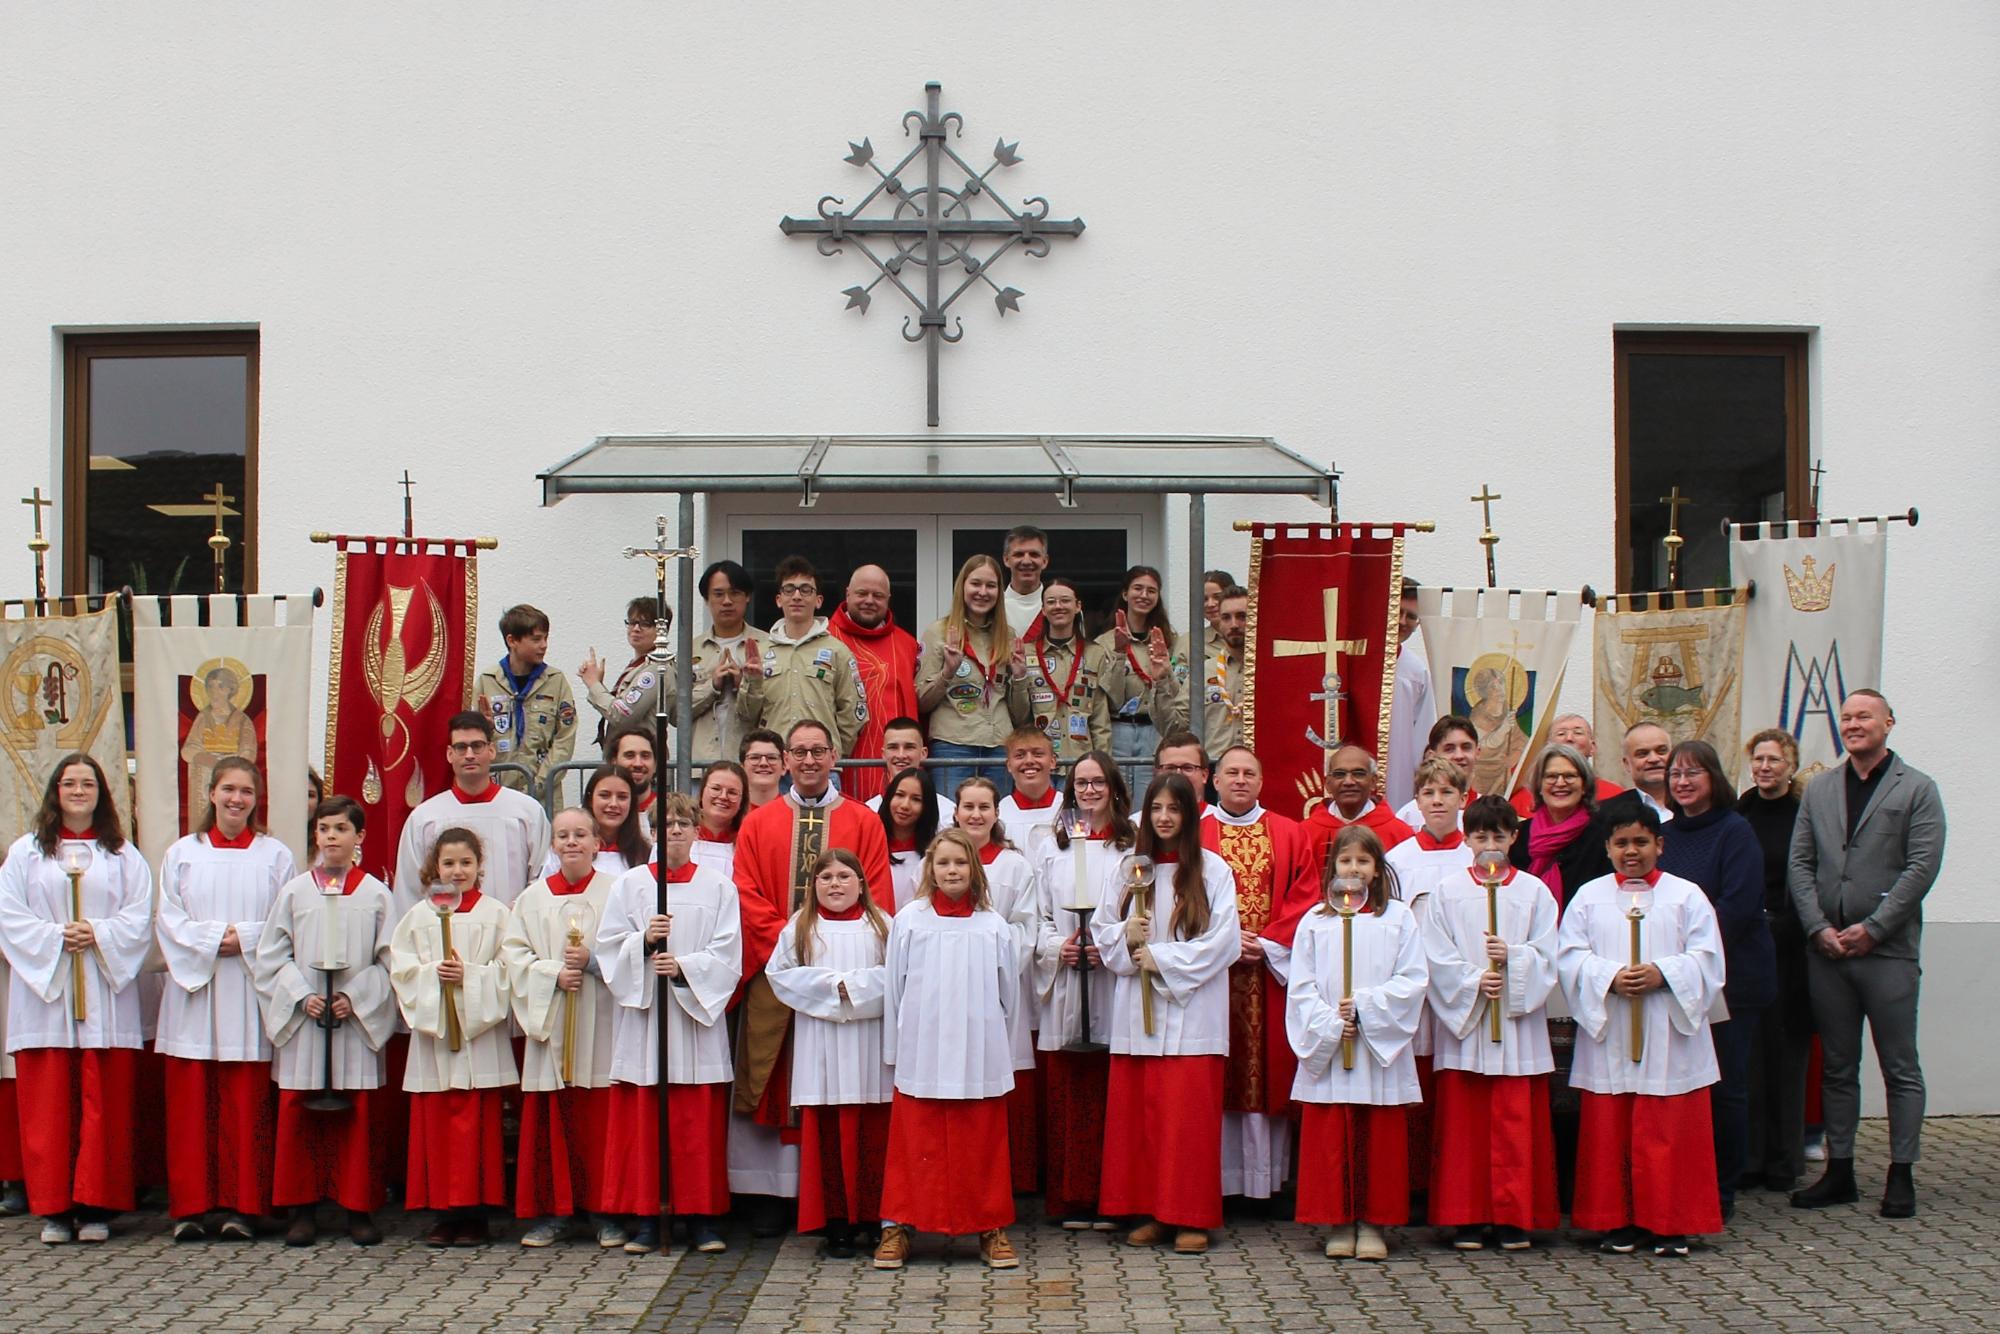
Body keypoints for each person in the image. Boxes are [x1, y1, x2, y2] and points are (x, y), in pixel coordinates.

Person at [1787, 690, 1945, 1220]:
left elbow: (1920, 868)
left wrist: (1874, 929)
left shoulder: (1918, 789)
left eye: (1864, 717)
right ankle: (1841, 1171)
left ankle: (1902, 1174)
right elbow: (1801, 863)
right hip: (1828, 952)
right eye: (1847, 717)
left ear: (1889, 723)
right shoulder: (1820, 789)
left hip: (1887, 952)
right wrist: (1817, 927)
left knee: (1900, 1066)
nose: (1853, 725)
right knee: (1837, 1066)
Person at [730, 721, 893, 1229]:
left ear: (834, 755)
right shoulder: (758, 824)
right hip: (780, 971)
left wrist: (837, 958)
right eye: (797, 752)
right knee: (773, 1076)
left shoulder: (865, 822)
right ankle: (773, 1193)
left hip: (848, 981)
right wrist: (793, 944)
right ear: (785, 761)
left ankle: (845, 1199)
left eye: (817, 751)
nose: (807, 760)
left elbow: (878, 897)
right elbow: (746, 893)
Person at [1559, 800, 1725, 1257]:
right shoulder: (1589, 897)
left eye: (1641, 842)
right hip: (1613, 1029)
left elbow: (1708, 959)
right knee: (1613, 1131)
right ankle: (1617, 1221)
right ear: (1608, 848)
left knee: (1665, 1130)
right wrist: (1608, 976)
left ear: (1660, 845)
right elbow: (1569, 956)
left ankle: (1670, 1223)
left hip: (1668, 1031)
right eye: (1621, 843)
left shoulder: (1687, 895)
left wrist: (1663, 973)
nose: (1631, 852)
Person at [0, 754, 153, 1244]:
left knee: (100, 1100)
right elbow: (9, 914)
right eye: (70, 782)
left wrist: (99, 933)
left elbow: (139, 916)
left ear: (102, 793)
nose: (79, 790)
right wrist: (54, 938)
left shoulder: (123, 855)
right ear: (55, 791)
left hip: (104, 993)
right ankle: (53, 1209)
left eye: (88, 783)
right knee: (50, 1104)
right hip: (47, 992)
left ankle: (95, 1205)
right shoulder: (26, 853)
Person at [1093, 773, 1242, 1256]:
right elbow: (1102, 930)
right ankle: (1153, 1212)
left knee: (1186, 1122)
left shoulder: (1214, 871)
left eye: (1173, 809)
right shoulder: (1129, 870)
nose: (1163, 818)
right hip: (1138, 1018)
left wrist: (1164, 959)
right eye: (1156, 808)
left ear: (1189, 816)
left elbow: (1225, 941)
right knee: (1146, 1118)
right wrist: (1126, 937)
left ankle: (1191, 1216)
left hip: (1193, 1015)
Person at [155, 757, 296, 1241]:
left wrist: (244, 940)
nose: (237, 799)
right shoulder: (182, 853)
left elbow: (284, 921)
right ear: (211, 794)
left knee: (244, 1098)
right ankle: (191, 1207)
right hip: (197, 989)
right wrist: (221, 938)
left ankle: (243, 1205)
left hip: (249, 993)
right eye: (228, 789)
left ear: (257, 800)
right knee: (194, 1099)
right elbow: (169, 921)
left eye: (246, 792)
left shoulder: (274, 855)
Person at [598, 795, 742, 1253]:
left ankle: (702, 1218)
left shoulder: (719, 887)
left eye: (683, 823)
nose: (675, 831)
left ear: (697, 830)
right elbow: (608, 947)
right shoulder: (631, 885)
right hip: (647, 1022)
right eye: (666, 824)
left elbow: (727, 953)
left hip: (692, 1020)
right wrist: (643, 942)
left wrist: (683, 968)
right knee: (648, 1121)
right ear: (653, 831)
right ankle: (646, 1216)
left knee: (694, 1120)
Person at [872, 830, 1022, 1271]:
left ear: (974, 869)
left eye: (960, 863)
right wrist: (896, 1049)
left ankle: (990, 1226)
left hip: (980, 1052)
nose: (952, 871)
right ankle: (898, 1225)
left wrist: (996, 1048)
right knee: (915, 1140)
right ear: (930, 870)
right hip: (923, 1047)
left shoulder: (993, 925)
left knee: (982, 1142)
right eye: (943, 864)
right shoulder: (911, 920)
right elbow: (894, 989)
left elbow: (1008, 996)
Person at [254, 796, 397, 1247]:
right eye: (323, 829)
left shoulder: (375, 894)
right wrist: (302, 997)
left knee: (356, 1114)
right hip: (307, 1021)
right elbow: (272, 955)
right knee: (301, 1112)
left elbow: (390, 959)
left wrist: (354, 998)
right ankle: (302, 1209)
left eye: (341, 828)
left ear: (359, 837)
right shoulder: (295, 892)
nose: (331, 837)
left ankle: (358, 1207)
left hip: (352, 1022)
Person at [1422, 796, 1561, 1251]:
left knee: (1513, 1123)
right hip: (1470, 1024)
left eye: (1499, 835)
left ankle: (1513, 1216)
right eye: (1480, 836)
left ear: (1514, 837)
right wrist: (1474, 980)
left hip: (1517, 1029)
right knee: (1466, 1125)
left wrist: (1515, 964)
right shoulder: (1447, 891)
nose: (1489, 844)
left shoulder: (1534, 892)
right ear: (1466, 838)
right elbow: (1435, 954)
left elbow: (1549, 955)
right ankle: (1465, 1215)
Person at [1285, 825, 1427, 1262]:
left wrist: (1364, 1008)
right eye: (1346, 861)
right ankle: (1338, 1220)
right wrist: (1330, 1024)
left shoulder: (1398, 918)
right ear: (1332, 869)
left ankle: (1373, 1222)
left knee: (1376, 1136)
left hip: (1376, 1047)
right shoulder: (1314, 921)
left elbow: (1412, 979)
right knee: (1333, 1135)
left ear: (1379, 870)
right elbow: (1301, 985)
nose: (1354, 869)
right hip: (1334, 1044)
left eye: (1363, 861)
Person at [1660, 739, 1775, 1220]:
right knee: (1684, 1085)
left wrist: (1691, 959)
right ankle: (1684, 1181)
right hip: (1673, 977)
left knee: (1725, 1085)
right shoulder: (1664, 835)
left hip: (1728, 979)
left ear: (1714, 777)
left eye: (1693, 772)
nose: (1683, 782)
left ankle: (1723, 1189)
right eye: (1676, 774)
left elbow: (1738, 906)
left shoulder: (1736, 832)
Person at [1201, 745, 1319, 1208]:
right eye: (1231, 772)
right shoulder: (1198, 831)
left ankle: (1263, 1182)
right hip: (1214, 973)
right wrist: (1227, 942)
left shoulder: (1289, 832)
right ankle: (1220, 1178)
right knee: (1219, 1069)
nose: (1240, 780)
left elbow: (1306, 893)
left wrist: (1267, 943)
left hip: (1269, 972)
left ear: (1261, 781)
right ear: (1215, 780)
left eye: (1249, 773)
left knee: (1266, 1069)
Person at [389, 826, 517, 1247]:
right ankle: (442, 1213)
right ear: (434, 868)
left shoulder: (497, 914)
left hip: (478, 1040)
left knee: (477, 1126)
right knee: (437, 1125)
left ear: (480, 866)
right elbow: (402, 971)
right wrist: (431, 976)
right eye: (449, 863)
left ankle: (476, 1214)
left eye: (466, 862)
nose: (457, 870)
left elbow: (509, 971)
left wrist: (471, 977)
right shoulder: (419, 917)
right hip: (436, 1041)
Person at [766, 849, 895, 1258]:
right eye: (825, 878)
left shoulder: (883, 926)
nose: (835, 884)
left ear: (861, 882)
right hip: (820, 1043)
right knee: (828, 1136)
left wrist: (852, 989)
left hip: (870, 1043)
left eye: (843, 876)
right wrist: (831, 986)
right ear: (813, 886)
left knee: (872, 1135)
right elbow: (779, 976)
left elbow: (899, 976)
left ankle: (875, 1220)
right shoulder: (800, 927)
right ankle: (836, 1223)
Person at [503, 809, 619, 1248]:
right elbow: (513, 955)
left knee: (600, 1116)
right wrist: (552, 973)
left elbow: (630, 949)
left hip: (601, 1017)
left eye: (581, 835)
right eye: (563, 836)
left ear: (597, 843)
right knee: (553, 1117)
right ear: (552, 845)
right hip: (551, 1022)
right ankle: (555, 1212)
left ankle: (605, 1211)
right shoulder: (533, 898)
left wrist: (592, 963)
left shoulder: (615, 892)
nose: (572, 842)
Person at [1032, 751, 1134, 1226]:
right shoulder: (1052, 847)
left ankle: (1113, 1198)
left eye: (1097, 782)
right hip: (1069, 977)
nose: (1088, 791)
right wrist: (1058, 948)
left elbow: (1140, 910)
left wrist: (1109, 949)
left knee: (1114, 1086)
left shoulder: (1130, 848)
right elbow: (1038, 915)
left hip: (1113, 982)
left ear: (1114, 787)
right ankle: (1070, 1197)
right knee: (1069, 1083)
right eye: (1079, 783)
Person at [1383, 755, 1474, 1208]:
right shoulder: (1398, 859)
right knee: (1415, 1080)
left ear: (1463, 798)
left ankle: (1453, 1187)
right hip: (1415, 987)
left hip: (1460, 984)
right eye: (1428, 793)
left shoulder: (1474, 855)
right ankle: (1415, 1186)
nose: (1437, 801)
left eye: (1446, 793)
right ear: (1416, 800)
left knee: (1454, 1083)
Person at [952, 776, 1041, 1195]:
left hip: (1000, 987)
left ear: (996, 813)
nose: (975, 814)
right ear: (955, 812)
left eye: (983, 807)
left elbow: (1027, 926)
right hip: (950, 990)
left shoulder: (1014, 865)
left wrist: (994, 967)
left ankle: (1006, 1185)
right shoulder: (941, 861)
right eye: (968, 806)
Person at [1737, 729, 1810, 1191]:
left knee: (1785, 1053)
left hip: (1790, 943)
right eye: (1759, 760)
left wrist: (1788, 921)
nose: (1765, 767)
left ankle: (1784, 1159)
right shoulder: (1741, 811)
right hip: (1748, 940)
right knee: (1751, 1056)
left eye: (1774, 760)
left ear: (1791, 766)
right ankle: (1751, 1157)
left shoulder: (1804, 815)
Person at [395, 712, 551, 915]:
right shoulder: (424, 818)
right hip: (444, 932)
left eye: (477, 746)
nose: (469, 754)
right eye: (461, 747)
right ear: (450, 754)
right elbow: (410, 889)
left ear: (491, 750)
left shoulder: (527, 812)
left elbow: (542, 876)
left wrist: (520, 917)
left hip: (511, 932)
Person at [917, 554, 1022, 797]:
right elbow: (921, 701)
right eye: (975, 583)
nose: (982, 592)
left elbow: (1020, 714)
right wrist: (947, 673)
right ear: (962, 586)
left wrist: (1019, 678)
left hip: (999, 745)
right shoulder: (939, 632)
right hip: (953, 746)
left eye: (991, 585)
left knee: (997, 823)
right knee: (951, 824)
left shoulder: (1008, 636)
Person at [827, 564, 920, 804]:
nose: (869, 600)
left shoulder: (907, 644)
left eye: (878, 595)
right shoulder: (824, 639)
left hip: (895, 762)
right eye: (862, 593)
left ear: (888, 599)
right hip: (841, 764)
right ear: (847, 593)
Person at [760, 557, 867, 761]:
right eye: (789, 589)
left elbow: (853, 710)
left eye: (806, 589)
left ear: (818, 600)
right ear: (778, 599)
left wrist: (832, 751)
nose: (797, 596)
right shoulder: (760, 652)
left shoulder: (838, 651)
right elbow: (747, 715)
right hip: (774, 765)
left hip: (822, 766)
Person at [475, 603, 577, 796]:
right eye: (536, 639)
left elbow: (565, 737)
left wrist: (538, 785)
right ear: (512, 641)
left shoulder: (556, 681)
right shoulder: (487, 681)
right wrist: (484, 728)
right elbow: (473, 738)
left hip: (543, 794)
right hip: (498, 793)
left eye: (546, 638)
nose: (544, 645)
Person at [1009, 576, 1111, 768]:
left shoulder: (1095, 653)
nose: (1058, 606)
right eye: (1051, 602)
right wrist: (1020, 676)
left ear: (1078, 606)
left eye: (1065, 600)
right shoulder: (1026, 653)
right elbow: (1019, 717)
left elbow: (1100, 717)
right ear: (1043, 610)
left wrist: (1102, 764)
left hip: (1081, 762)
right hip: (1039, 764)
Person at [1094, 565, 1175, 790]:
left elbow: (1176, 692)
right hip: (1119, 729)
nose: (1144, 595)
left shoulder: (1168, 640)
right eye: (1137, 588)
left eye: (1151, 591)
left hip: (1155, 729)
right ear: (1124, 594)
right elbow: (1112, 699)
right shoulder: (1104, 643)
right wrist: (1120, 654)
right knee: (1118, 796)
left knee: (1151, 794)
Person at [1510, 743, 1611, 911]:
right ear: (1539, 786)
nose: (1560, 783)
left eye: (1570, 776)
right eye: (1551, 776)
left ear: (1585, 785)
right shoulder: (1518, 836)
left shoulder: (1603, 835)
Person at [1157, 584, 1248, 759]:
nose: (1234, 624)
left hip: (1261, 771)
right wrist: (1161, 681)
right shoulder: (1204, 671)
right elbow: (1176, 728)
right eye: (1226, 618)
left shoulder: (1271, 671)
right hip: (1215, 771)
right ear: (1218, 623)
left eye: (1242, 616)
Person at [577, 596, 669, 748]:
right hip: (627, 756)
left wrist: (594, 684)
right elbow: (621, 708)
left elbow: (622, 716)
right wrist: (598, 685)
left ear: (662, 630)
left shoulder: (655, 669)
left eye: (645, 624)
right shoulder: (638, 665)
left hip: (642, 761)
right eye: (632, 622)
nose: (636, 628)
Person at [1302, 745, 1415, 867]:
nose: (1349, 781)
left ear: (1373, 782)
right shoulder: (1304, 834)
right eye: (1340, 774)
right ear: (1328, 784)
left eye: (1358, 773)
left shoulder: (1400, 834)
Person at [180, 665, 259, 829]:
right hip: (204, 775)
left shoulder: (242, 720)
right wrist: (204, 757)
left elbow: (249, 750)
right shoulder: (203, 717)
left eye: (220, 687)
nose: (215, 692)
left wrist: (230, 765)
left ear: (231, 690)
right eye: (210, 687)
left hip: (233, 775)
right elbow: (188, 749)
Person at [544, 764, 648, 879]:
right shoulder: (567, 848)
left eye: (622, 797)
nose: (613, 804)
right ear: (590, 799)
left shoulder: (645, 854)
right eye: (604, 796)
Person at [1385, 578, 1437, 808]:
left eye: (1412, 616)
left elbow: (1423, 737)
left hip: (1397, 779)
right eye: (1398, 611)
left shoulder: (1416, 672)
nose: (1403, 621)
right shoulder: (1351, 658)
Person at [1509, 715, 1625, 816]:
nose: (1569, 738)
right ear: (1546, 747)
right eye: (1561, 733)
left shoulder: (1615, 796)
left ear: (1592, 747)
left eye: (1578, 733)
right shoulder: (1523, 801)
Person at [862, 718, 954, 829]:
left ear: (923, 753)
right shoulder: (868, 811)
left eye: (909, 747)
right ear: (883, 754)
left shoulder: (947, 813)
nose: (901, 755)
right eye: (893, 747)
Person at [1392, 715, 1481, 828]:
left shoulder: (1491, 812)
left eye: (1466, 747)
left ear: (1477, 752)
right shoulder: (1409, 817)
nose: (1459, 756)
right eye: (1449, 749)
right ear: (1432, 756)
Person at [876, 767, 941, 912]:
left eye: (916, 799)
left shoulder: (935, 853)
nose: (905, 805)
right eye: (899, 795)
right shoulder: (871, 846)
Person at [996, 726, 1066, 838]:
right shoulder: (1000, 814)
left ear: (1052, 761)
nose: (1029, 761)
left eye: (1037, 754)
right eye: (1020, 755)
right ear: (1009, 765)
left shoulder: (1067, 809)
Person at [693, 761, 749, 881]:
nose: (723, 797)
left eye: (732, 792)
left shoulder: (748, 842)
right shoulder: (680, 836)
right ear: (701, 793)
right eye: (716, 788)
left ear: (741, 802)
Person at [606, 725, 660, 834]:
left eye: (645, 756)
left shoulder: (669, 814)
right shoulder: (594, 815)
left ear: (655, 765)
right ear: (613, 762)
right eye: (630, 755)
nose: (638, 764)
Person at [1619, 722, 1675, 824]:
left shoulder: (1697, 804)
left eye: (1661, 751)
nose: (1654, 759)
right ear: (1627, 764)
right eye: (1642, 754)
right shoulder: (1608, 813)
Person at [1001, 524, 1049, 637]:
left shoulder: (1060, 608)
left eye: (1034, 554)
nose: (1026, 561)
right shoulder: (992, 608)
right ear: (1006, 560)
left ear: (1045, 561)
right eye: (1019, 554)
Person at [740, 729, 786, 811]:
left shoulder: (796, 814)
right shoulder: (728, 814)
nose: (763, 763)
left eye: (772, 757)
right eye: (755, 757)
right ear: (742, 767)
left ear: (784, 767)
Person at [1201, 570, 1236, 637]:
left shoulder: (1252, 636)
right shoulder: (1188, 642)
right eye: (1204, 599)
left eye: (1217, 597)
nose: (1210, 604)